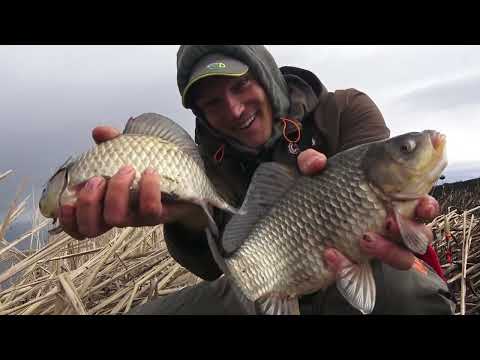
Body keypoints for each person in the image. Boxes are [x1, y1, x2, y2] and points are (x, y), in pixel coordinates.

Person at [59, 45, 455, 315]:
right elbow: (222, 271)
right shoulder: (200, 168)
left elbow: (392, 218)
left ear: (266, 78)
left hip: (358, 269)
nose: (232, 110)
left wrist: (402, 225)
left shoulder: (345, 109)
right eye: (212, 102)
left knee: (402, 291)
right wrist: (191, 219)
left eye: (240, 85)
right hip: (266, 279)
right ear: (200, 113)